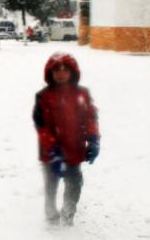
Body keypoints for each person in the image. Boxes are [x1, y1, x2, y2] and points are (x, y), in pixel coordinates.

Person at [32, 52, 100, 226]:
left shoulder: (82, 95)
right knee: (51, 185)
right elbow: (42, 126)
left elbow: (90, 118)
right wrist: (53, 151)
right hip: (50, 153)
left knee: (74, 184)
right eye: (56, 70)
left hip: (73, 150)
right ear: (50, 73)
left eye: (65, 70)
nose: (61, 74)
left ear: (72, 72)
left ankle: (68, 214)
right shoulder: (43, 97)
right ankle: (51, 215)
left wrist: (93, 139)